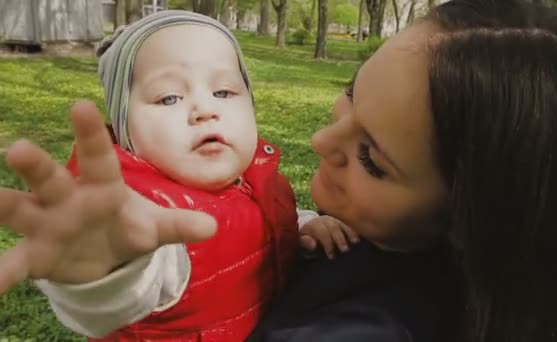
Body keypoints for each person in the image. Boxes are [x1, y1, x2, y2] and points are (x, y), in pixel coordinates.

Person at [2, 0, 557, 341]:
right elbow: (149, 272)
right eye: (351, 92)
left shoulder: (364, 326)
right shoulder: (152, 208)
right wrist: (105, 270)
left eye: (371, 157)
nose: (320, 138)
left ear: (465, 226)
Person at [0, 10, 354, 342]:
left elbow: (264, 219)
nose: (205, 109)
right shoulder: (146, 218)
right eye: (169, 98)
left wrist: (302, 224)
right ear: (126, 130)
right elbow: (124, 293)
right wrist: (101, 266)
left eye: (224, 92)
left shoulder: (260, 176)